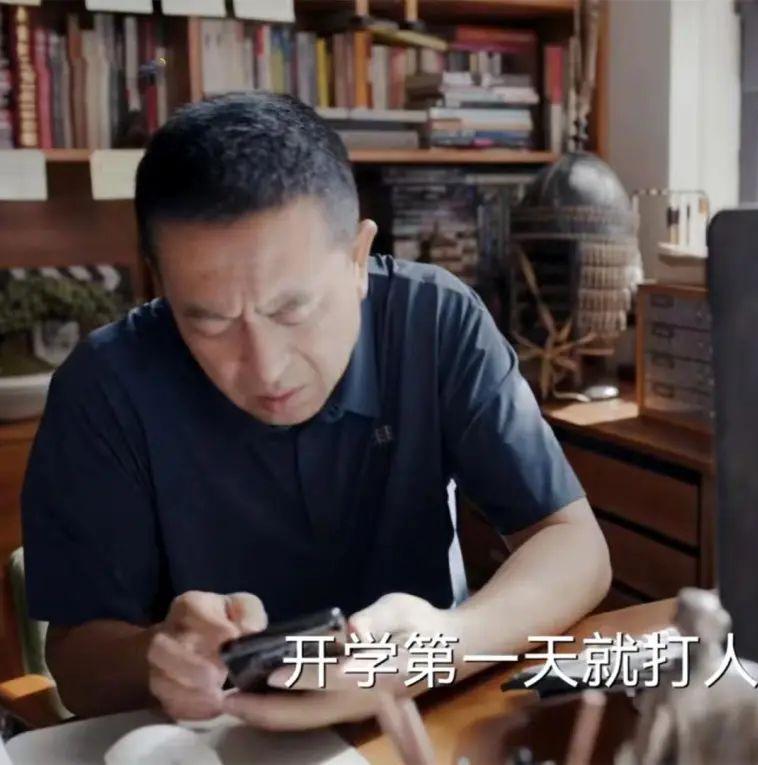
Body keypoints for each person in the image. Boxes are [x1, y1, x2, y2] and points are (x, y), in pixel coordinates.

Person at [21, 93, 611, 731]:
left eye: (292, 309)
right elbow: (76, 663)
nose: (266, 367)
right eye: (210, 321)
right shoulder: (105, 387)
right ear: (161, 283)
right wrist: (157, 657)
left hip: (413, 720)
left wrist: (444, 642)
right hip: (209, 742)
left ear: (358, 259)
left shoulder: (433, 322)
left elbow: (573, 544)